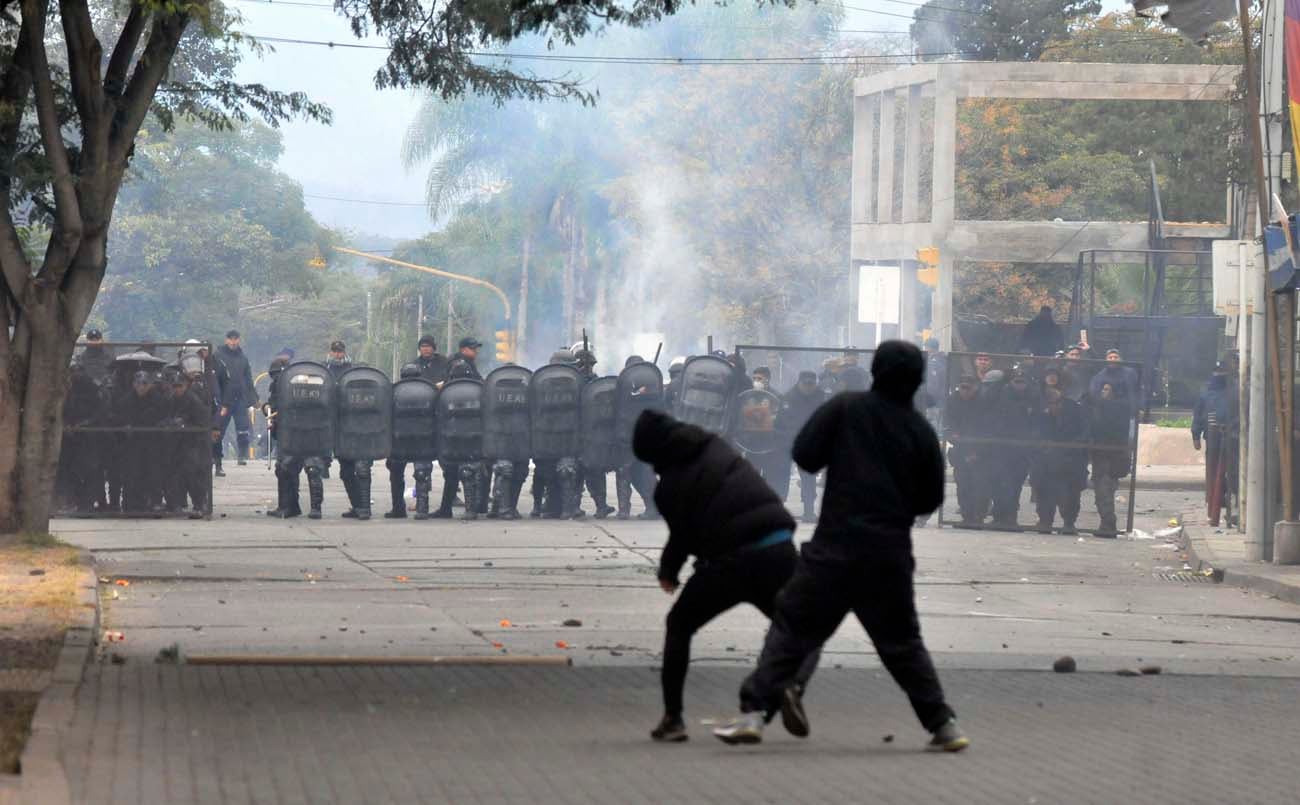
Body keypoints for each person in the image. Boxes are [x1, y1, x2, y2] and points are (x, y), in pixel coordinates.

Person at [713, 341, 967, 751]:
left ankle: (754, 714)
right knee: (902, 642)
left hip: (835, 549)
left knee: (792, 626)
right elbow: (929, 497)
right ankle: (944, 725)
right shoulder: (919, 430)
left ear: (876, 372)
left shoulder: (846, 408)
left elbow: (805, 455)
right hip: (889, 555)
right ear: (917, 379)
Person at [632, 409, 818, 743]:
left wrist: (668, 572)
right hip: (777, 548)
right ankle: (792, 683)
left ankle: (673, 719)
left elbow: (683, 536)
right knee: (801, 627)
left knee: (679, 625)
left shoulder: (668, 488)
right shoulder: (717, 446)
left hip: (728, 564)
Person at [1029, 387, 1089, 534]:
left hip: (1069, 462)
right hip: (1045, 462)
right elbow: (1034, 435)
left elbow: (1083, 435)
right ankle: (1045, 521)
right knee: (1044, 494)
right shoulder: (1041, 416)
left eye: (1056, 403)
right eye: (1050, 403)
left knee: (1070, 495)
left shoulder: (1075, 414)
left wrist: (1068, 449)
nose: (1053, 406)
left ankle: (1069, 523)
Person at [988, 369, 1038, 528]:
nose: (1019, 385)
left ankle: (1010, 518)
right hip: (1002, 447)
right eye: (1016, 381)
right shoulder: (1001, 395)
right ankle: (998, 517)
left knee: (1014, 485)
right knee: (998, 483)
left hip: (1022, 450)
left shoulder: (1032, 397)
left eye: (1022, 382)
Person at [1192, 362, 1239, 527]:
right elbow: (1198, 414)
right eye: (1217, 371)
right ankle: (1213, 506)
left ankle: (1231, 504)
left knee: (1232, 470)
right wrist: (1195, 435)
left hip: (1233, 436)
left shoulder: (1235, 390)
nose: (1220, 375)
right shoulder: (1206, 392)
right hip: (1212, 436)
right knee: (1213, 472)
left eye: (1223, 371)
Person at [777, 371, 826, 523]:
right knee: (782, 478)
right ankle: (778, 510)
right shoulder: (788, 398)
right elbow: (780, 422)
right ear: (799, 382)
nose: (809, 387)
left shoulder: (821, 396)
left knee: (808, 479)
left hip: (809, 442)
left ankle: (809, 511)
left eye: (812, 384)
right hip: (787, 442)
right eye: (806, 384)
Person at [944, 374, 989, 527]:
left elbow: (984, 427)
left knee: (980, 486)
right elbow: (949, 422)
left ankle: (978, 517)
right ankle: (967, 517)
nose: (965, 391)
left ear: (975, 388)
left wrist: (976, 451)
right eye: (962, 387)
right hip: (960, 450)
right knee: (963, 486)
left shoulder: (982, 402)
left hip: (980, 450)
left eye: (968, 388)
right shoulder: (953, 400)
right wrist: (953, 434)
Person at [264, 353, 303, 519]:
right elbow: (272, 405)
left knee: (286, 468)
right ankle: (289, 505)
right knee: (286, 469)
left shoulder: (295, 388)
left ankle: (287, 506)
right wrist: (267, 409)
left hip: (291, 431)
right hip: (284, 430)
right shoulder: (278, 387)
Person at [213, 330, 258, 474]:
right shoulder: (218, 356)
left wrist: (254, 399)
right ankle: (217, 460)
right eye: (231, 339)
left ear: (239, 340)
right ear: (226, 340)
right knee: (218, 430)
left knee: (243, 429)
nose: (233, 342)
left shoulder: (243, 358)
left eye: (235, 339)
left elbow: (248, 380)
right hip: (223, 399)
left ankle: (242, 455)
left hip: (240, 399)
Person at [1089, 381, 1131, 536]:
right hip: (1101, 455)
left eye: (1107, 389)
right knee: (1101, 491)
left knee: (1105, 491)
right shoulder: (1104, 408)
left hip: (1112, 457)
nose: (1103, 392)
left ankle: (1108, 524)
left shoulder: (1117, 408)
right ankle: (1106, 523)